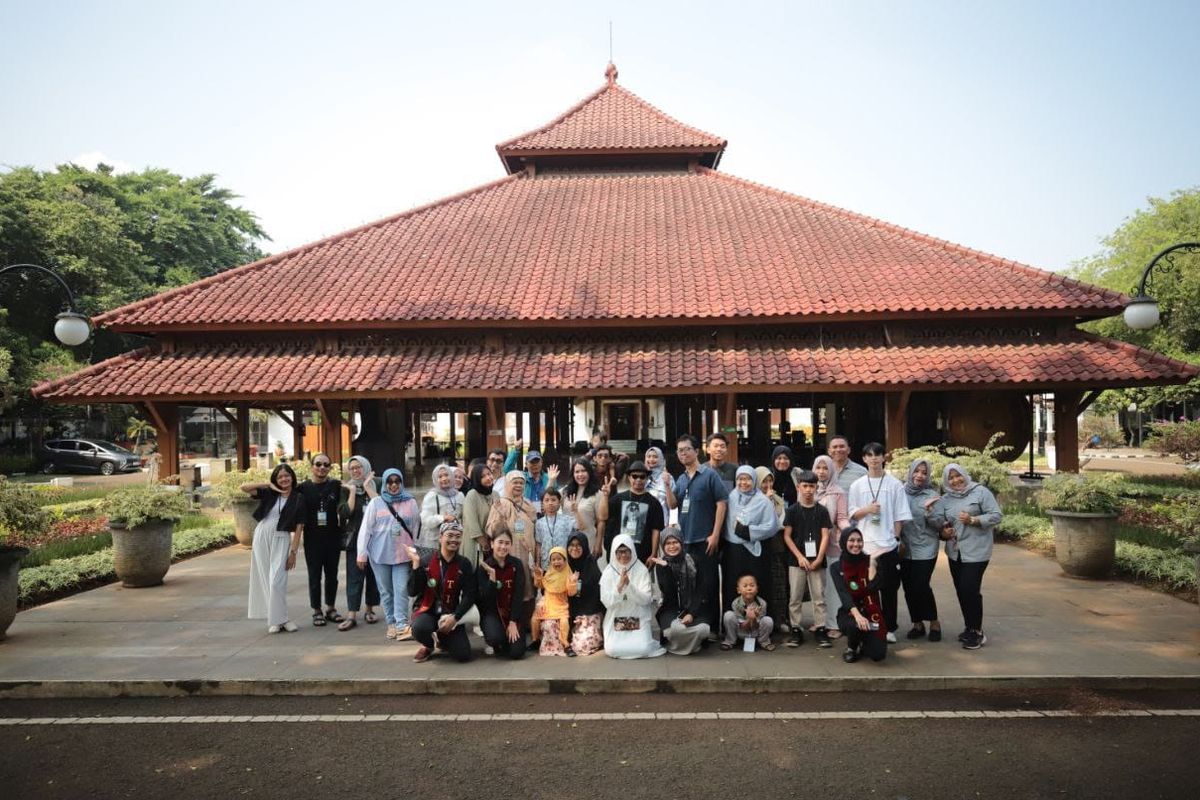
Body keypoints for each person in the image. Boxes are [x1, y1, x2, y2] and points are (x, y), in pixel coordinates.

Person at [847, 442, 910, 642]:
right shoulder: (857, 485)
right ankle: (872, 624)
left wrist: (897, 538)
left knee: (890, 590)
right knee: (867, 589)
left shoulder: (895, 484)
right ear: (864, 459)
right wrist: (868, 510)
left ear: (884, 457)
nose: (874, 459)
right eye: (869, 455)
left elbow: (900, 516)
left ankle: (890, 627)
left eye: (877, 455)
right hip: (864, 547)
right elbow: (852, 515)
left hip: (888, 545)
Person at [938, 463, 1002, 651]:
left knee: (969, 589)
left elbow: (997, 515)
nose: (955, 480)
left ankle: (977, 631)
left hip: (977, 551)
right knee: (961, 590)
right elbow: (942, 524)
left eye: (958, 476)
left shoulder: (980, 492)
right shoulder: (945, 499)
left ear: (965, 475)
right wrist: (944, 532)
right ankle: (969, 627)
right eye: (950, 478)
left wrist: (974, 520)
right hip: (955, 551)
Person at [669, 434, 729, 629]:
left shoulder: (710, 475)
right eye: (680, 450)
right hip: (686, 540)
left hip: (706, 538)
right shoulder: (681, 478)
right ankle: (694, 622)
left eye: (687, 449)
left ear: (697, 451)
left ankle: (712, 627)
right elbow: (673, 505)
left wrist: (715, 534)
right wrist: (665, 485)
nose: (683, 453)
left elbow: (722, 503)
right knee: (690, 584)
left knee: (709, 583)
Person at [356, 468, 420, 641]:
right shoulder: (376, 503)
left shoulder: (411, 502)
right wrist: (361, 554)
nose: (393, 485)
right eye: (389, 481)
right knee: (386, 591)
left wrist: (414, 549)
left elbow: (415, 527)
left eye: (396, 481)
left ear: (401, 483)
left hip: (402, 554)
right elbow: (366, 530)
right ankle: (391, 623)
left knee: (401, 588)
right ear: (384, 483)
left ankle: (401, 624)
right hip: (380, 554)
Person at [245, 463, 306, 634]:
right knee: (265, 578)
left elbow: (300, 526)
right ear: (275, 480)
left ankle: (281, 618)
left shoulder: (298, 498)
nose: (284, 479)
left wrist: (293, 553)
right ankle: (278, 620)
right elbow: (244, 488)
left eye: (287, 476)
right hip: (262, 535)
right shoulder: (270, 493)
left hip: (281, 537)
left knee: (277, 581)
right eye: (280, 477)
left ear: (292, 477)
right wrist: (266, 484)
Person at [407, 520, 478, 663]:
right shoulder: (426, 560)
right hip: (428, 611)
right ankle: (427, 645)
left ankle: (442, 638)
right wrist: (415, 566)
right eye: (450, 535)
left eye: (458, 536)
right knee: (420, 628)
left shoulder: (464, 564)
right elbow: (412, 591)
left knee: (463, 655)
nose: (454, 540)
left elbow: (470, 595)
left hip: (451, 613)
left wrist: (456, 617)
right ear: (440, 537)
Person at [782, 470, 832, 647]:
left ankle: (820, 628)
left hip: (818, 560)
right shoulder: (792, 511)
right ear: (798, 487)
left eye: (812, 486)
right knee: (795, 596)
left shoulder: (822, 511)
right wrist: (800, 556)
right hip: (796, 561)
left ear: (816, 487)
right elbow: (787, 536)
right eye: (805, 486)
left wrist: (819, 558)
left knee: (819, 597)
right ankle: (796, 628)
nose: (809, 490)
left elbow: (825, 535)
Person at [722, 465, 777, 619]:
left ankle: (762, 626)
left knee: (758, 586)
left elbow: (771, 526)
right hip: (733, 551)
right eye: (740, 479)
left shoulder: (763, 501)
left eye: (747, 479)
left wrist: (747, 531)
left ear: (754, 480)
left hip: (756, 551)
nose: (743, 483)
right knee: (733, 586)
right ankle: (732, 626)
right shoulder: (731, 497)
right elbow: (725, 523)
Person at [600, 533, 666, 659]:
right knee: (612, 650)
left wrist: (629, 586)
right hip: (616, 616)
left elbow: (646, 600)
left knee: (643, 648)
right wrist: (619, 587)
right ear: (614, 552)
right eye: (619, 552)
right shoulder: (608, 572)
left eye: (626, 551)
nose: (623, 555)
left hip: (637, 615)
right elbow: (606, 602)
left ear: (632, 550)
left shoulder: (641, 570)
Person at [485, 471, 538, 626]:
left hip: (527, 552)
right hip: (509, 552)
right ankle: (509, 621)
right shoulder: (501, 504)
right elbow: (490, 529)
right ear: (507, 484)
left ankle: (528, 623)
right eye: (514, 482)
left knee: (528, 584)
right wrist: (502, 517)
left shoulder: (527, 504)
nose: (518, 486)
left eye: (521, 483)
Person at [297, 453, 344, 627]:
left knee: (332, 575)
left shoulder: (336, 486)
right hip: (312, 539)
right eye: (318, 464)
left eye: (326, 464)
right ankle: (316, 610)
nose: (322, 467)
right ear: (312, 467)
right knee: (314, 576)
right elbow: (283, 490)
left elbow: (353, 494)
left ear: (330, 468)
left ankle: (330, 608)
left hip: (333, 537)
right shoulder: (303, 488)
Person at [900, 458, 944, 642]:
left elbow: (940, 524)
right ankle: (917, 623)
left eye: (924, 473)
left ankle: (934, 622)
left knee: (921, 585)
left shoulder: (931, 494)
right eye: (917, 471)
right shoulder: (900, 491)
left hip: (926, 547)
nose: (920, 475)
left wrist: (930, 512)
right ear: (911, 472)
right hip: (904, 547)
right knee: (908, 587)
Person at [337, 455, 380, 631]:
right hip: (355, 539)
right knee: (354, 576)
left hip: (375, 538)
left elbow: (381, 505)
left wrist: (368, 486)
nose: (355, 471)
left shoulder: (378, 482)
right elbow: (345, 513)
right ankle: (351, 614)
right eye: (352, 468)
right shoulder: (346, 488)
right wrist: (353, 491)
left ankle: (370, 610)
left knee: (373, 576)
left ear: (366, 467)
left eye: (358, 467)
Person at [832, 527, 887, 663]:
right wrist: (858, 616)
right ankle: (851, 647)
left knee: (877, 655)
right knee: (854, 625)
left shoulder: (871, 561)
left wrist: (872, 564)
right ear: (844, 542)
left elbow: (873, 587)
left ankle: (865, 642)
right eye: (851, 540)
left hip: (871, 611)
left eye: (859, 540)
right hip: (850, 612)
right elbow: (843, 594)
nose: (856, 544)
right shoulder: (836, 567)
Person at [654, 530, 710, 655]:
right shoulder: (661, 565)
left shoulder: (694, 560)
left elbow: (700, 590)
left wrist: (691, 613)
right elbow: (669, 593)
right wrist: (666, 569)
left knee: (703, 629)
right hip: (671, 609)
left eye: (675, 542)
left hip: (694, 608)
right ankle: (683, 645)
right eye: (668, 543)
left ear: (681, 542)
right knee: (674, 630)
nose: (672, 546)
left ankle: (687, 643)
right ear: (663, 546)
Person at [813, 454, 850, 638]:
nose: (821, 472)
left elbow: (842, 518)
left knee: (833, 586)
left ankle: (834, 624)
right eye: (818, 468)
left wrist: (848, 534)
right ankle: (820, 621)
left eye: (825, 468)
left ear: (831, 470)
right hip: (813, 544)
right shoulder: (808, 489)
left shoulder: (838, 492)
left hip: (833, 544)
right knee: (817, 585)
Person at [476, 529, 527, 659]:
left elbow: (518, 594)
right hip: (493, 613)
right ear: (492, 543)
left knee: (517, 653)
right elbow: (486, 600)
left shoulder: (516, 564)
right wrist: (492, 579)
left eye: (507, 543)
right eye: (500, 542)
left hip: (512, 612)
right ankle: (494, 640)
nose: (503, 547)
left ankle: (506, 640)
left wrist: (513, 621)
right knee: (495, 638)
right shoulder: (484, 567)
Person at [602, 460, 664, 564]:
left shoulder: (654, 503)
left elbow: (656, 530)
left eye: (642, 476)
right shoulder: (618, 499)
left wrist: (653, 554)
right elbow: (603, 517)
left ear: (647, 478)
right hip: (618, 552)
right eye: (634, 476)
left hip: (642, 553)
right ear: (629, 478)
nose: (638, 479)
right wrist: (605, 496)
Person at [756, 466, 790, 626]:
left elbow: (780, 523)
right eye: (764, 481)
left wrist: (770, 501)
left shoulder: (777, 499)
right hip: (757, 547)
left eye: (770, 481)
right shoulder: (752, 499)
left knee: (778, 583)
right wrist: (765, 502)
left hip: (776, 546)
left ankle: (780, 619)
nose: (768, 485)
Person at [531, 546, 578, 656]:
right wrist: (538, 575)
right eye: (553, 559)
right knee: (534, 619)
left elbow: (571, 593)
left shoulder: (568, 574)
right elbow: (539, 585)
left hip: (560, 604)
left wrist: (573, 582)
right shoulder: (549, 573)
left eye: (559, 559)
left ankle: (565, 644)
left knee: (564, 622)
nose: (556, 562)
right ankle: (535, 640)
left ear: (565, 560)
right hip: (547, 602)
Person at [565, 533, 604, 655]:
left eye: (578, 545)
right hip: (568, 613)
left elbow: (597, 597)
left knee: (583, 646)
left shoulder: (591, 566)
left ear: (585, 546)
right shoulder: (564, 565)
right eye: (571, 545)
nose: (575, 548)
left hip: (589, 613)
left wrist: (584, 617)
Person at [562, 457, 605, 557]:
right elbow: (548, 498)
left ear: (589, 472)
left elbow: (601, 522)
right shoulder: (565, 491)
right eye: (577, 472)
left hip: (588, 539)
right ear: (573, 474)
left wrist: (598, 545)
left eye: (583, 471)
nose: (580, 475)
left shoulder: (598, 494)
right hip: (567, 539)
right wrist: (551, 480)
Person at [418, 463, 462, 559]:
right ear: (435, 479)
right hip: (435, 544)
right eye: (440, 476)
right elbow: (425, 520)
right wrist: (442, 518)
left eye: (446, 475)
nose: (444, 479)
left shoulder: (459, 495)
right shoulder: (431, 496)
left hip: (455, 542)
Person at [721, 574, 775, 651]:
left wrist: (754, 619)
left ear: (757, 589)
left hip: (756, 632)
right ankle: (730, 641)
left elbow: (755, 626)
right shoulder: (736, 603)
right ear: (738, 590)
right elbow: (743, 626)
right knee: (728, 615)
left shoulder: (762, 604)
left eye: (752, 585)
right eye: (745, 586)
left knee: (768, 620)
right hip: (741, 631)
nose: (749, 588)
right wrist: (749, 619)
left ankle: (764, 642)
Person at [502, 442, 559, 512]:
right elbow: (507, 470)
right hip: (526, 513)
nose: (535, 465)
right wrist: (516, 450)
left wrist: (551, 480)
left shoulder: (549, 477)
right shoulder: (522, 477)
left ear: (541, 462)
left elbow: (556, 498)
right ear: (526, 464)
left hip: (545, 515)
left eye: (537, 462)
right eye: (532, 462)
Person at [463, 462, 496, 565]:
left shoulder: (496, 494)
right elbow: (471, 522)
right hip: (475, 543)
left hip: (493, 543)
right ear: (477, 479)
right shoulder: (472, 495)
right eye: (483, 476)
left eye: (489, 474)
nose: (488, 478)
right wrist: (484, 543)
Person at [535, 486, 574, 570]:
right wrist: (538, 563)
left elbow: (580, 528)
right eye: (547, 500)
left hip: (563, 562)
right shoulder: (539, 523)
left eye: (553, 500)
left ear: (559, 503)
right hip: (546, 563)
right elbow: (538, 544)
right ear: (542, 504)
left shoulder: (567, 520)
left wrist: (576, 510)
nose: (550, 503)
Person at [643, 445, 671, 525]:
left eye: (655, 457)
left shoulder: (667, 477)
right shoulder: (641, 477)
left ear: (661, 459)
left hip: (662, 522)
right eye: (649, 456)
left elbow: (673, 505)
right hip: (644, 523)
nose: (651, 459)